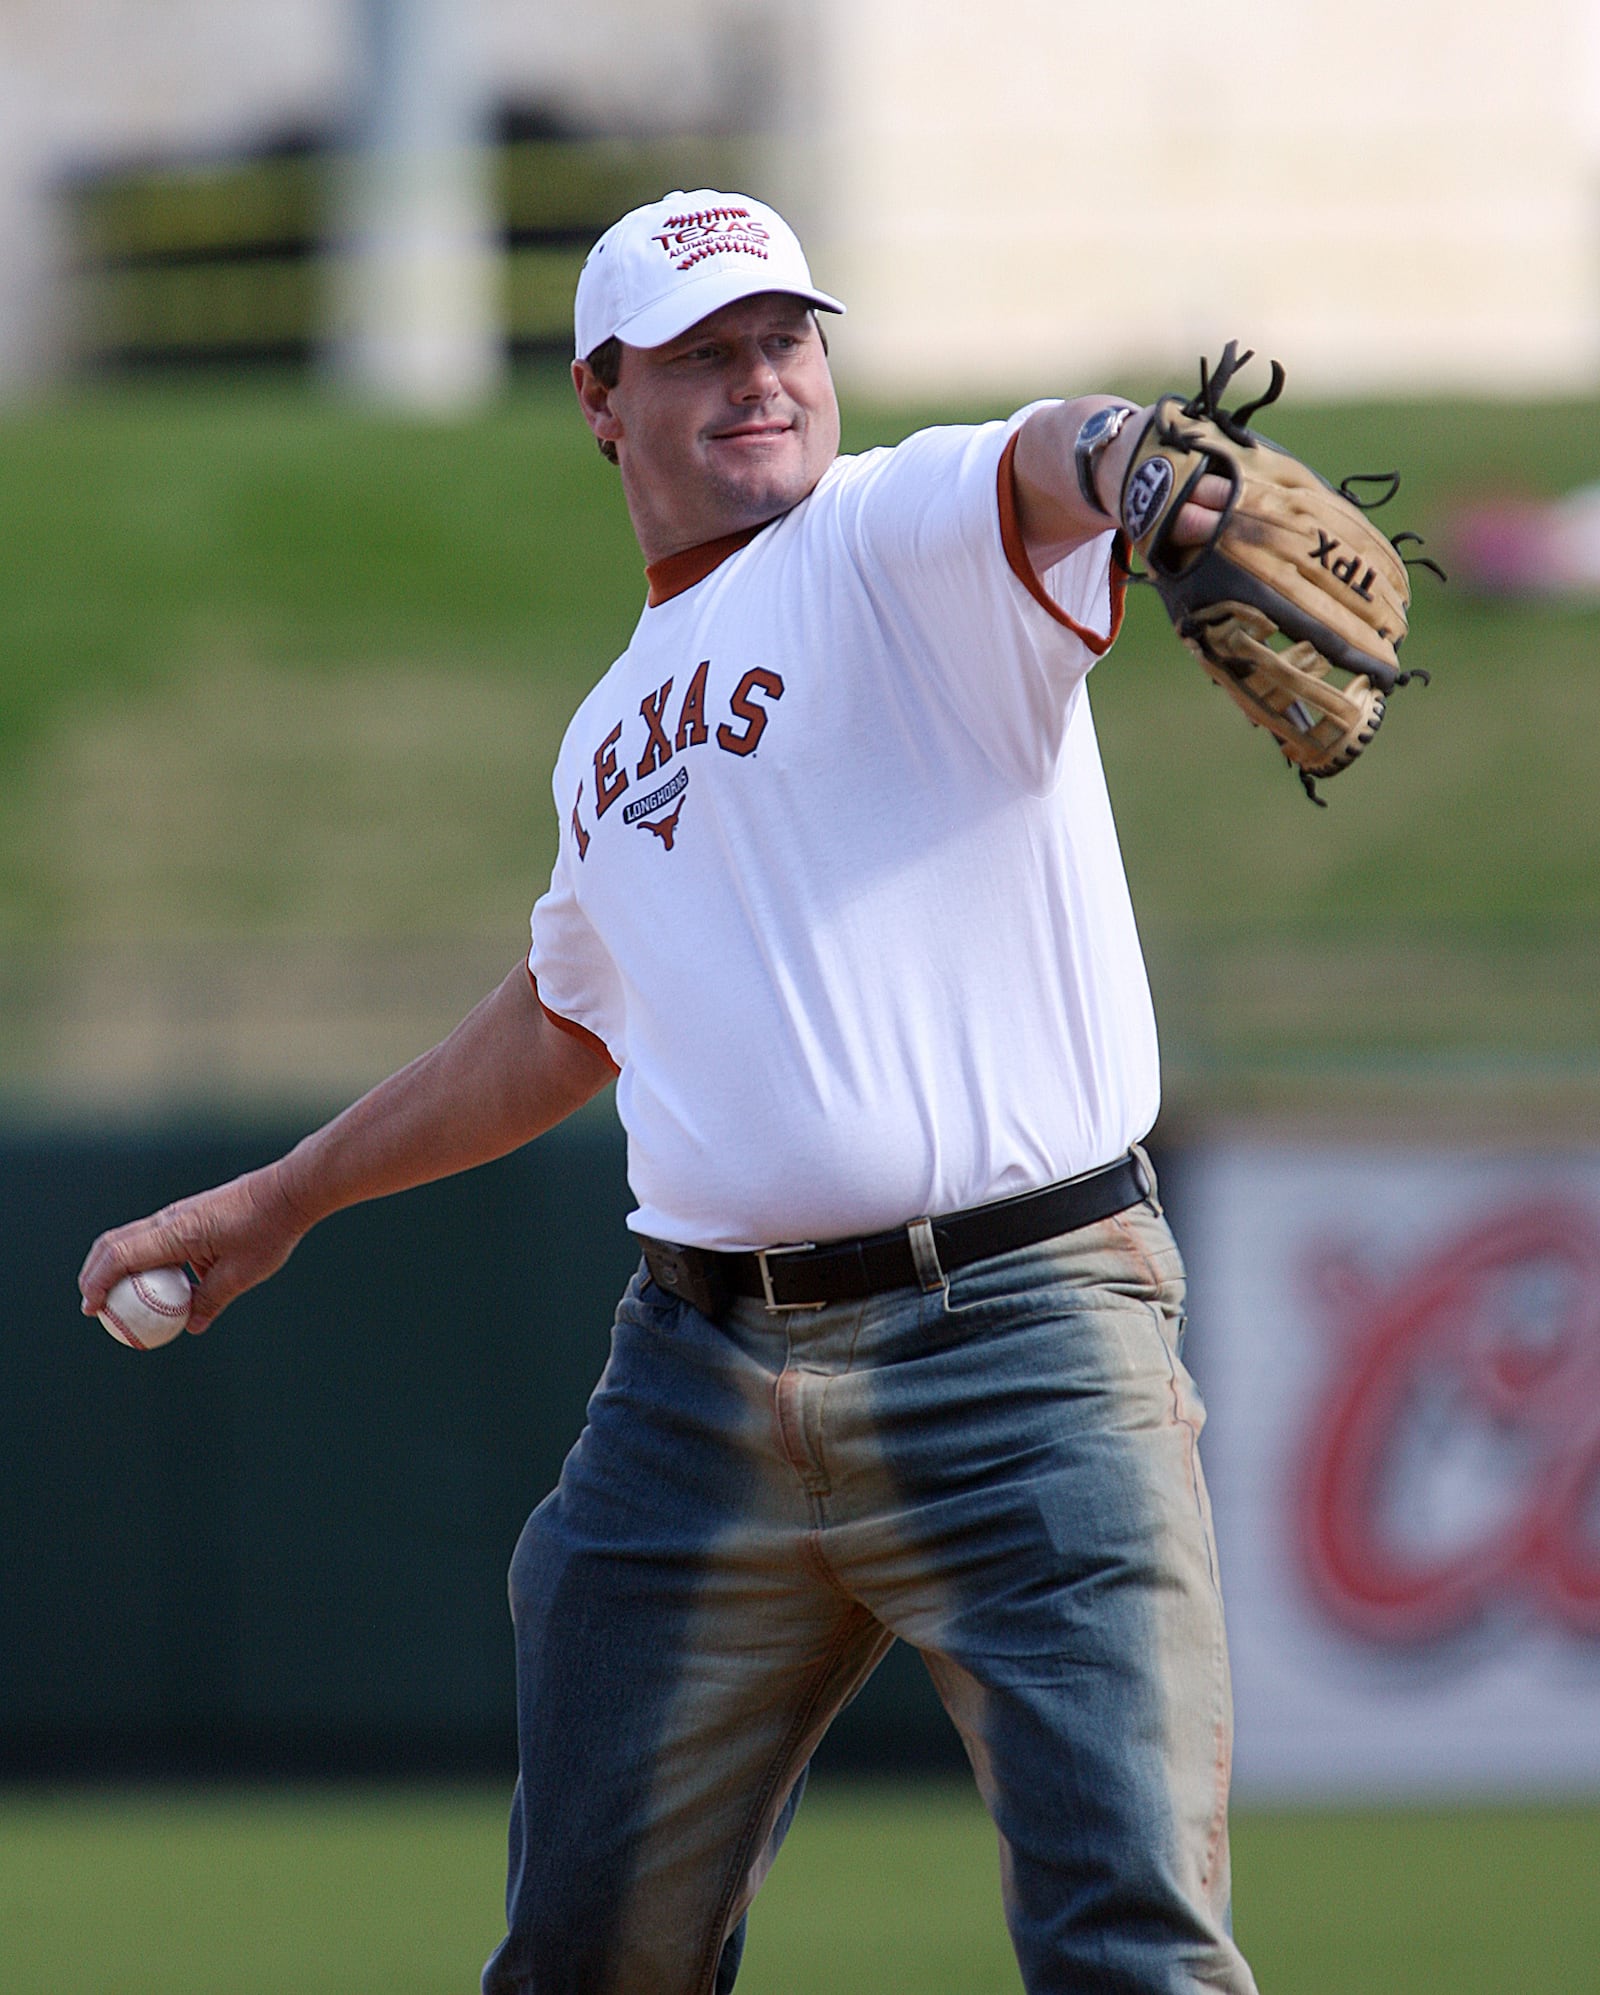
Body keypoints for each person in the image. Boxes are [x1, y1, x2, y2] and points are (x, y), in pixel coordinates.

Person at [80, 189, 1256, 1995]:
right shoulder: (613, 723)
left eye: (786, 338)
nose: (761, 377)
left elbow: (1032, 460)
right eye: (704, 352)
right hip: (697, 1383)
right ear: (599, 398)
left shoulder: (891, 535)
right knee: (582, 1961)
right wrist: (277, 1201)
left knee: (1132, 1950)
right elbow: (561, 1021)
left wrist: (1129, 456)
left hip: (1021, 1332)